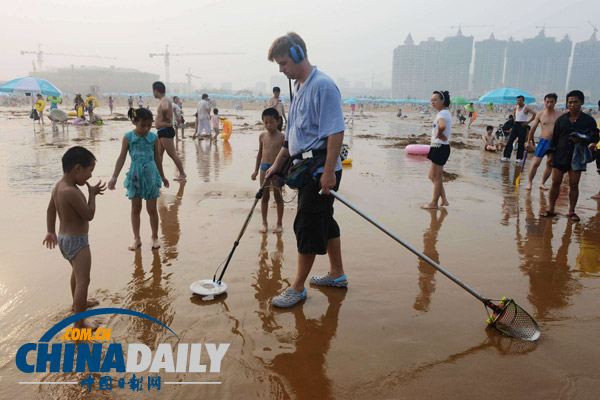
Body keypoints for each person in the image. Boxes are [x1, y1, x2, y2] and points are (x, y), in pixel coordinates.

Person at [264, 32, 347, 308]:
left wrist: (329, 172)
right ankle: (337, 274)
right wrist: (277, 163)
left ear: (299, 55)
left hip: (319, 169)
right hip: (305, 165)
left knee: (307, 224)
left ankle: (297, 288)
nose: (281, 69)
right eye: (278, 64)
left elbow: (336, 131)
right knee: (326, 221)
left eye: (284, 62)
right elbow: (293, 136)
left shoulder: (323, 86)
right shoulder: (299, 87)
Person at [43, 146, 106, 330]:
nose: (90, 176)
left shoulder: (58, 186)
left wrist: (50, 231)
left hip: (64, 239)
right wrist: (92, 195)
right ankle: (79, 323)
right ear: (77, 168)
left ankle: (77, 305)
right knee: (84, 280)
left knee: (77, 276)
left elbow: (50, 209)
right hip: (77, 242)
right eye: (90, 171)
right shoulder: (71, 191)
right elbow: (88, 215)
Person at [108, 108, 170, 250]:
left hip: (150, 174)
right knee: (136, 208)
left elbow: (157, 158)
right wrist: (114, 177)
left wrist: (163, 176)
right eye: (143, 125)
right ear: (134, 122)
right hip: (135, 175)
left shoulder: (154, 138)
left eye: (149, 125)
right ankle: (137, 238)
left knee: (152, 209)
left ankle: (154, 237)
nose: (146, 129)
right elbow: (122, 157)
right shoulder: (128, 137)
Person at [541, 90, 599, 221]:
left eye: (575, 102)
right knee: (555, 182)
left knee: (574, 184)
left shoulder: (588, 121)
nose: (572, 105)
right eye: (570, 102)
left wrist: (583, 139)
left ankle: (572, 211)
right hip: (560, 155)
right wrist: (550, 156)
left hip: (577, 157)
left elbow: (595, 137)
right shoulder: (561, 120)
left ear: (582, 103)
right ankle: (551, 209)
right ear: (567, 103)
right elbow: (554, 139)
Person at [251, 108, 285, 234]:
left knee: (278, 196)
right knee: (264, 196)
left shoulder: (282, 137)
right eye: (266, 122)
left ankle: (279, 223)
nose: (269, 125)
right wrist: (255, 170)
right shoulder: (262, 136)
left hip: (277, 169)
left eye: (272, 122)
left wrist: (284, 172)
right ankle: (264, 223)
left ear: (278, 121)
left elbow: (286, 156)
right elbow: (260, 153)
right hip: (264, 168)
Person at [525, 93, 563, 190]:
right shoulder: (540, 114)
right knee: (535, 163)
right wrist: (528, 141)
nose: (549, 104)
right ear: (545, 102)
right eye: (547, 102)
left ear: (555, 102)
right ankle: (529, 183)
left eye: (552, 102)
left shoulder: (560, 115)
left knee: (550, 163)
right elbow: (532, 129)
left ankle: (542, 183)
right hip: (543, 141)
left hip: (554, 143)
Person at [422, 91, 451, 210]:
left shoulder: (442, 114)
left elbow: (442, 126)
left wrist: (440, 134)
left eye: (435, 100)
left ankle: (434, 203)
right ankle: (443, 199)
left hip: (440, 147)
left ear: (442, 101)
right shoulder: (444, 112)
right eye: (431, 100)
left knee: (437, 177)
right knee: (432, 176)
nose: (432, 102)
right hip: (437, 146)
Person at [152, 81, 186, 181]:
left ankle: (182, 174)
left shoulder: (164, 100)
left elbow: (166, 107)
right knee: (159, 154)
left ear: (156, 90)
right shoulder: (163, 99)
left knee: (172, 153)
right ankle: (157, 174)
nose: (153, 93)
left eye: (153, 91)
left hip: (166, 130)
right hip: (162, 130)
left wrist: (165, 117)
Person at [502, 95, 536, 163]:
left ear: (523, 100)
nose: (519, 102)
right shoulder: (515, 107)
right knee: (510, 140)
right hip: (516, 124)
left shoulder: (526, 107)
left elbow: (535, 114)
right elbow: (514, 113)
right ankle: (506, 156)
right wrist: (514, 119)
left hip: (522, 125)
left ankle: (519, 158)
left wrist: (528, 122)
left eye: (520, 100)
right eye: (517, 100)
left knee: (521, 142)